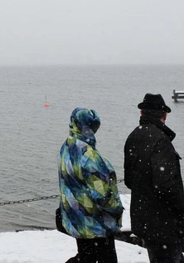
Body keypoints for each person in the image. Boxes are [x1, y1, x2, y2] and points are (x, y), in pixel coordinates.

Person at [123, 93, 184, 263]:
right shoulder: (161, 140)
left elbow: (129, 180)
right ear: (164, 115)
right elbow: (165, 184)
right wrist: (181, 201)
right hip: (164, 222)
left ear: (142, 113)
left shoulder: (133, 137)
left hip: (144, 218)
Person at [59, 107, 124, 263]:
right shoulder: (89, 155)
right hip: (95, 225)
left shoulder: (67, 147)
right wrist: (116, 210)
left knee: (85, 257)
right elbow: (102, 195)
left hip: (77, 219)